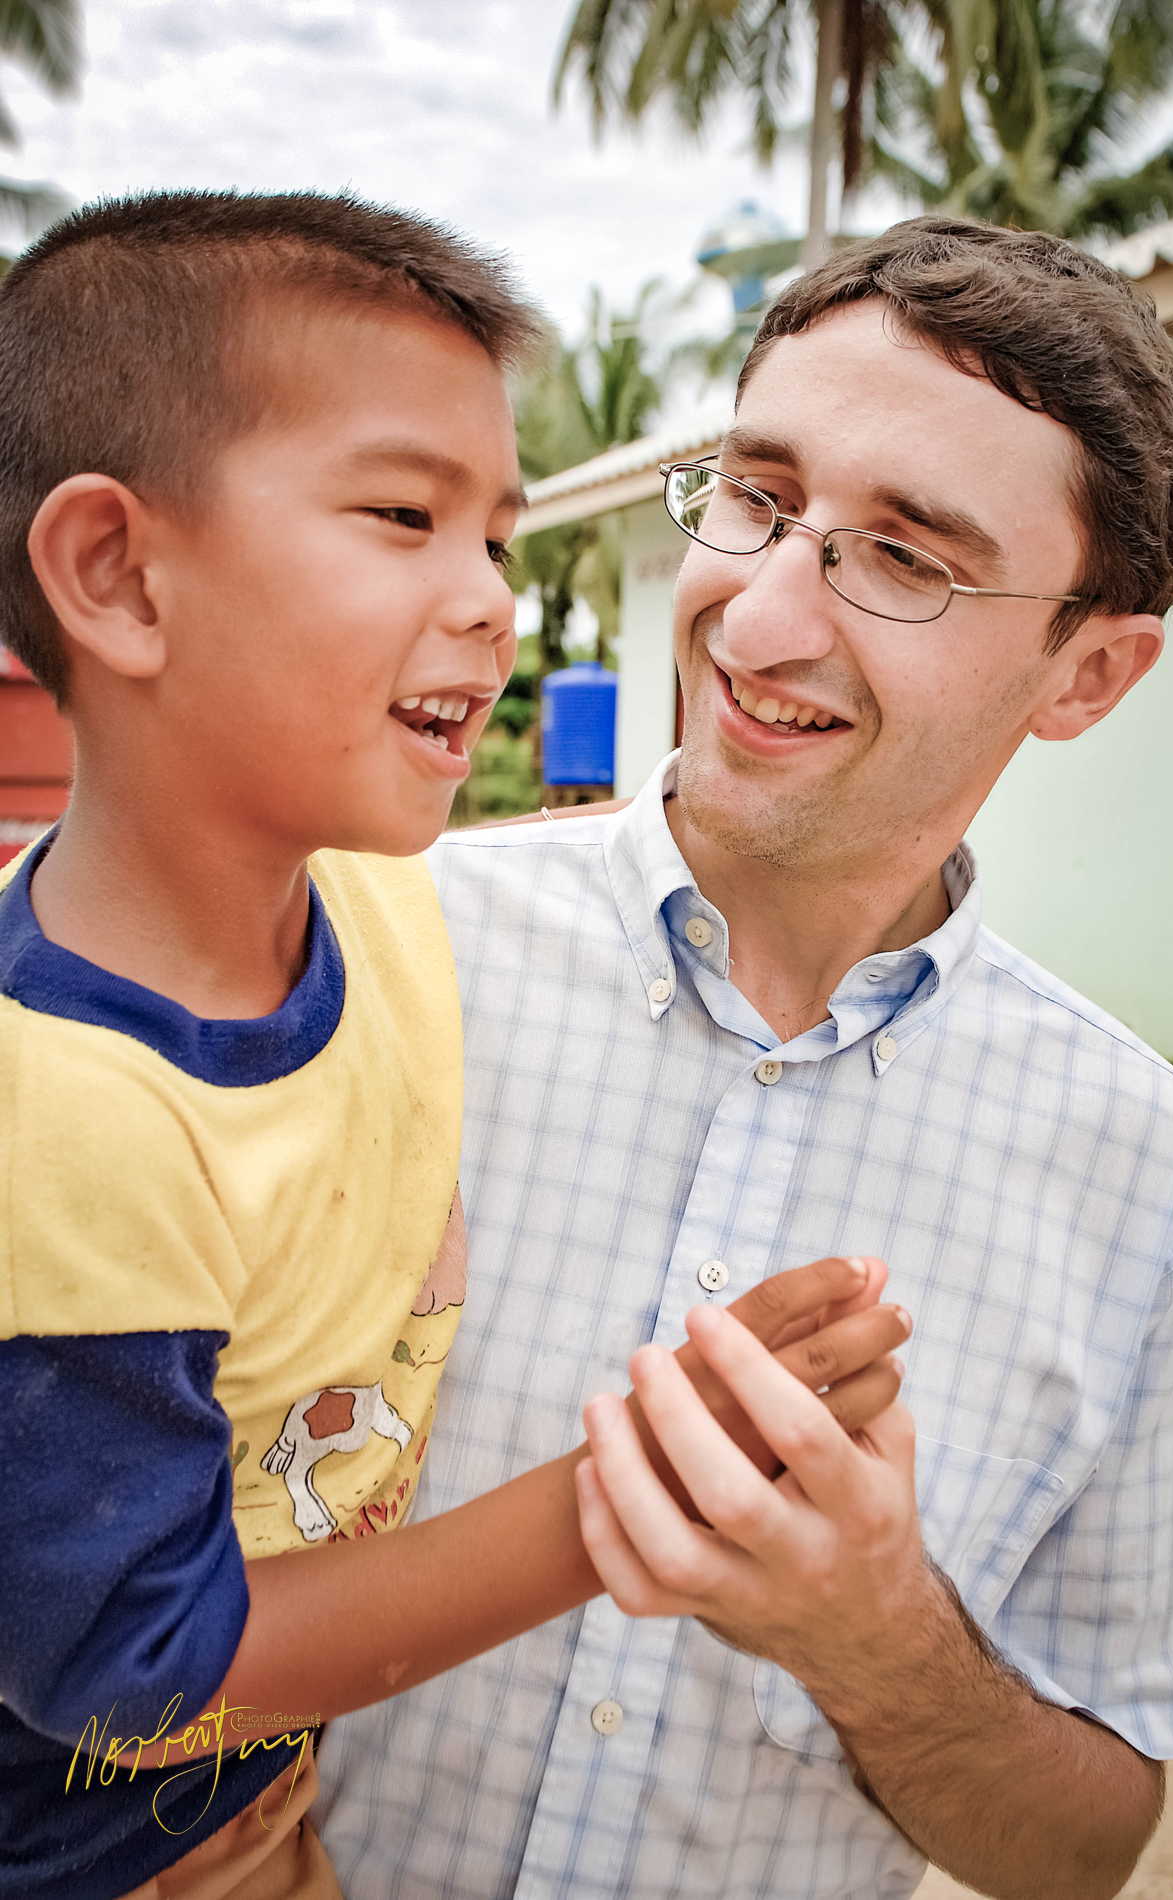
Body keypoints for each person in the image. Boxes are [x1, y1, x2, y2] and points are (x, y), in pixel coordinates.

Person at [317, 217, 1173, 1900]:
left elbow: (1082, 1851)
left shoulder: (1132, 1163)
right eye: (755, 496)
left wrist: (873, 1634)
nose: (753, 623)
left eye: (903, 558)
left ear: (1088, 673)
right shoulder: (368, 950)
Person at [0, 190, 908, 1900]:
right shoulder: (58, 1116)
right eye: (404, 516)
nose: (491, 598)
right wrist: (634, 1494)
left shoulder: (372, 897)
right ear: (118, 574)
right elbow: (137, 1682)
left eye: (495, 535)